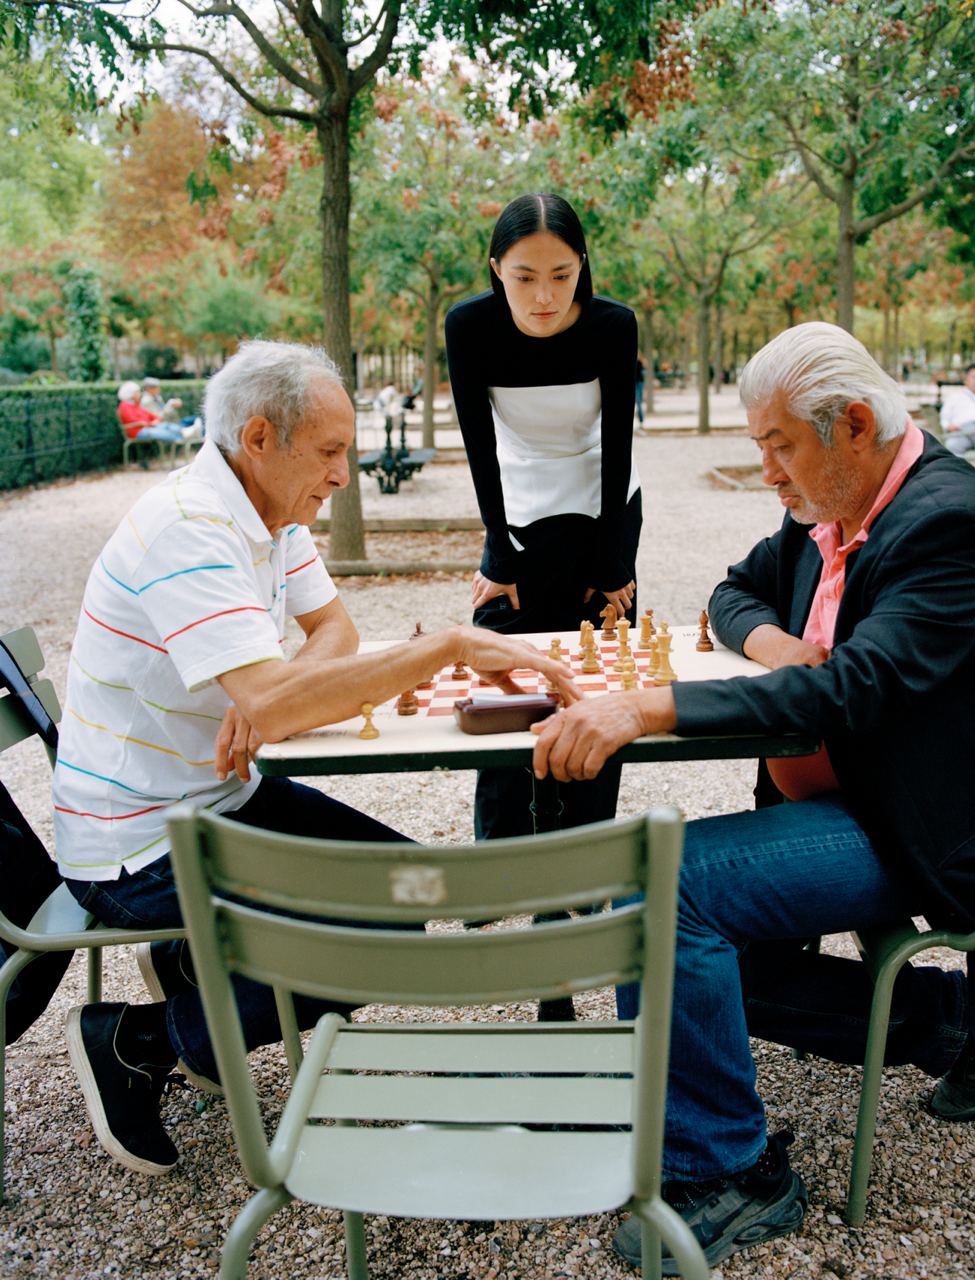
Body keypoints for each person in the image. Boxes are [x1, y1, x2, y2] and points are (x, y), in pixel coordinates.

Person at [531, 321, 975, 1270]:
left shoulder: (949, 526)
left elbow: (852, 688)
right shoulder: (830, 503)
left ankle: (732, 1169)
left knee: (659, 889)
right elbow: (734, 593)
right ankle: (948, 1022)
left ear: (853, 424)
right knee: (696, 953)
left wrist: (646, 707)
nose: (768, 470)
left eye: (778, 444)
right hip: (842, 801)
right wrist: (777, 642)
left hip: (922, 823)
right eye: (759, 446)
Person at [56, 340, 578, 1178]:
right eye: (331, 450)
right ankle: (135, 1041)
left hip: (217, 797)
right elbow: (281, 698)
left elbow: (330, 632)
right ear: (259, 437)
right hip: (137, 845)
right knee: (384, 925)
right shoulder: (189, 526)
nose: (346, 473)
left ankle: (197, 977)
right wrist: (440, 647)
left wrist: (270, 700)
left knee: (410, 889)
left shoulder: (267, 509)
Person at [444, 192, 641, 841]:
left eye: (561, 275)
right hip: (517, 503)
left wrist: (614, 566)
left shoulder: (612, 325)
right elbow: (479, 447)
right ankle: (496, 858)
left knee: (594, 682)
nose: (543, 296)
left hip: (603, 505)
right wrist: (498, 556)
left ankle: (584, 856)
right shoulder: (468, 325)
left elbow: (618, 448)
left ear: (583, 266)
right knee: (503, 679)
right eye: (524, 277)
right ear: (495, 267)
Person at [116, 381, 186, 445]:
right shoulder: (124, 406)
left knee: (167, 426)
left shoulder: (135, 405)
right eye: (137, 392)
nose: (140, 394)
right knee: (161, 431)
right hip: (138, 431)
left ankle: (185, 433)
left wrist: (155, 420)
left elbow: (151, 415)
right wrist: (149, 423)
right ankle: (183, 438)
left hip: (149, 426)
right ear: (131, 394)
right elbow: (135, 421)